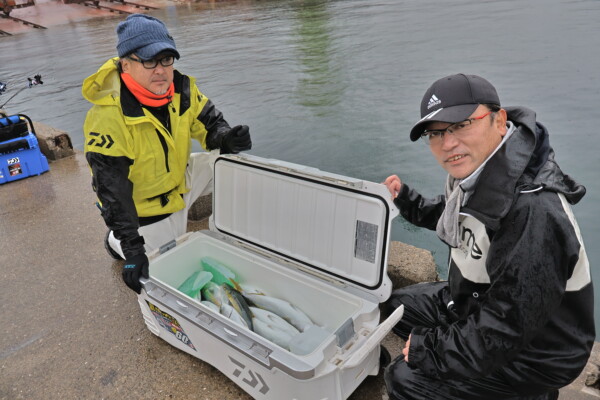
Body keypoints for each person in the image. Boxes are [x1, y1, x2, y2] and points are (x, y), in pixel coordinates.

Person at [382, 73, 594, 400]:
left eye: (461, 125)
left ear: (499, 120)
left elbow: (508, 326)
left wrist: (431, 349)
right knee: (395, 306)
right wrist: (408, 201)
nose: (447, 143)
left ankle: (532, 392)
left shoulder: (532, 212)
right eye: (436, 133)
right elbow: (456, 215)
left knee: (403, 378)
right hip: (479, 299)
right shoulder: (485, 173)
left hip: (537, 349)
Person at [82, 14, 251, 294]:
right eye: (149, 61)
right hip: (144, 205)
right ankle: (116, 241)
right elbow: (111, 189)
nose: (160, 70)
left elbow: (210, 125)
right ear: (126, 64)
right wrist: (132, 248)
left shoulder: (182, 89)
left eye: (166, 59)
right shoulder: (107, 116)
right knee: (168, 278)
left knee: (234, 163)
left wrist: (227, 137)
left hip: (180, 179)